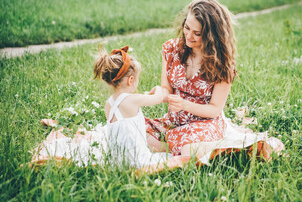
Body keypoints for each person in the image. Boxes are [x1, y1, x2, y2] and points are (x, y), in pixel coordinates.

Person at [145, 0, 284, 162]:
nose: (189, 36)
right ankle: (181, 151)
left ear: (212, 36)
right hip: (174, 122)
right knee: (137, 131)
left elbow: (214, 109)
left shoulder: (222, 64)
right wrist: (159, 93)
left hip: (205, 124)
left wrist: (184, 105)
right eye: (186, 28)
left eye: (197, 33)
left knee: (188, 147)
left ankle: (208, 150)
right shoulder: (171, 49)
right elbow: (166, 88)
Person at [31, 46, 189, 171]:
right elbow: (158, 98)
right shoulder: (133, 100)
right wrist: (159, 88)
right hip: (136, 160)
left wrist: (145, 95)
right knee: (172, 156)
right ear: (131, 80)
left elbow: (128, 107)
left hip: (117, 159)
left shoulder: (110, 103)